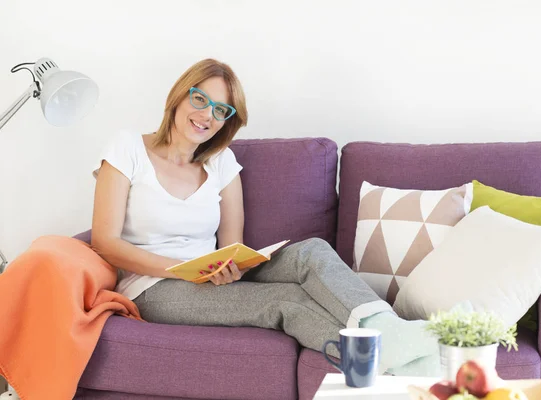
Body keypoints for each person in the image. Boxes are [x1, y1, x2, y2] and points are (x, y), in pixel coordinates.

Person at [91, 59, 440, 375]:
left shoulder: (221, 162)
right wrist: (176, 269)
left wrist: (231, 266)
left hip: (208, 270)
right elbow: (104, 242)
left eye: (221, 109)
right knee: (287, 300)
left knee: (312, 252)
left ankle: (391, 333)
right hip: (154, 288)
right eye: (200, 100)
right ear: (181, 96)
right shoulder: (128, 149)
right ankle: (380, 356)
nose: (207, 115)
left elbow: (231, 246)